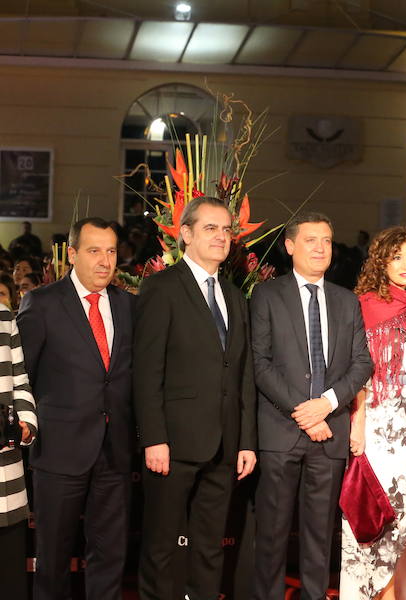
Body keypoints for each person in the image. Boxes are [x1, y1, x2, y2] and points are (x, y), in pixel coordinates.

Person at [134, 196, 257, 600]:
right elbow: (147, 370)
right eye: (210, 228)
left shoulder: (235, 297)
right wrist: (154, 437)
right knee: (162, 546)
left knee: (208, 547)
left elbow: (241, 376)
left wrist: (245, 442)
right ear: (185, 234)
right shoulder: (161, 288)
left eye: (226, 230)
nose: (221, 237)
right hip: (172, 443)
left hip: (223, 444)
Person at [250, 212, 372, 600]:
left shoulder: (345, 299)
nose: (321, 248)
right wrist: (303, 411)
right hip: (281, 430)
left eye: (327, 241)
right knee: (271, 533)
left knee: (320, 536)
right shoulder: (268, 294)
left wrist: (326, 404)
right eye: (311, 240)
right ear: (290, 247)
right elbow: (260, 363)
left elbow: (362, 362)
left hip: (330, 430)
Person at [17, 218, 135, 600]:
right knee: (52, 558)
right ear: (71, 254)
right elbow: (24, 377)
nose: (104, 261)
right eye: (94, 250)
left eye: (111, 251)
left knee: (109, 556)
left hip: (115, 451)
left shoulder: (129, 305)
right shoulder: (43, 303)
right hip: (59, 450)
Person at [340, 226, 406, 599]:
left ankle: (402, 594)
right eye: (397, 257)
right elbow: (358, 371)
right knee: (378, 513)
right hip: (379, 426)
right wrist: (358, 422)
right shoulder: (364, 305)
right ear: (381, 262)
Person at [0, 303, 36, 600]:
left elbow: (20, 378)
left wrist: (26, 422)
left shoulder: (3, 315)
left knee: (10, 575)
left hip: (6, 470)